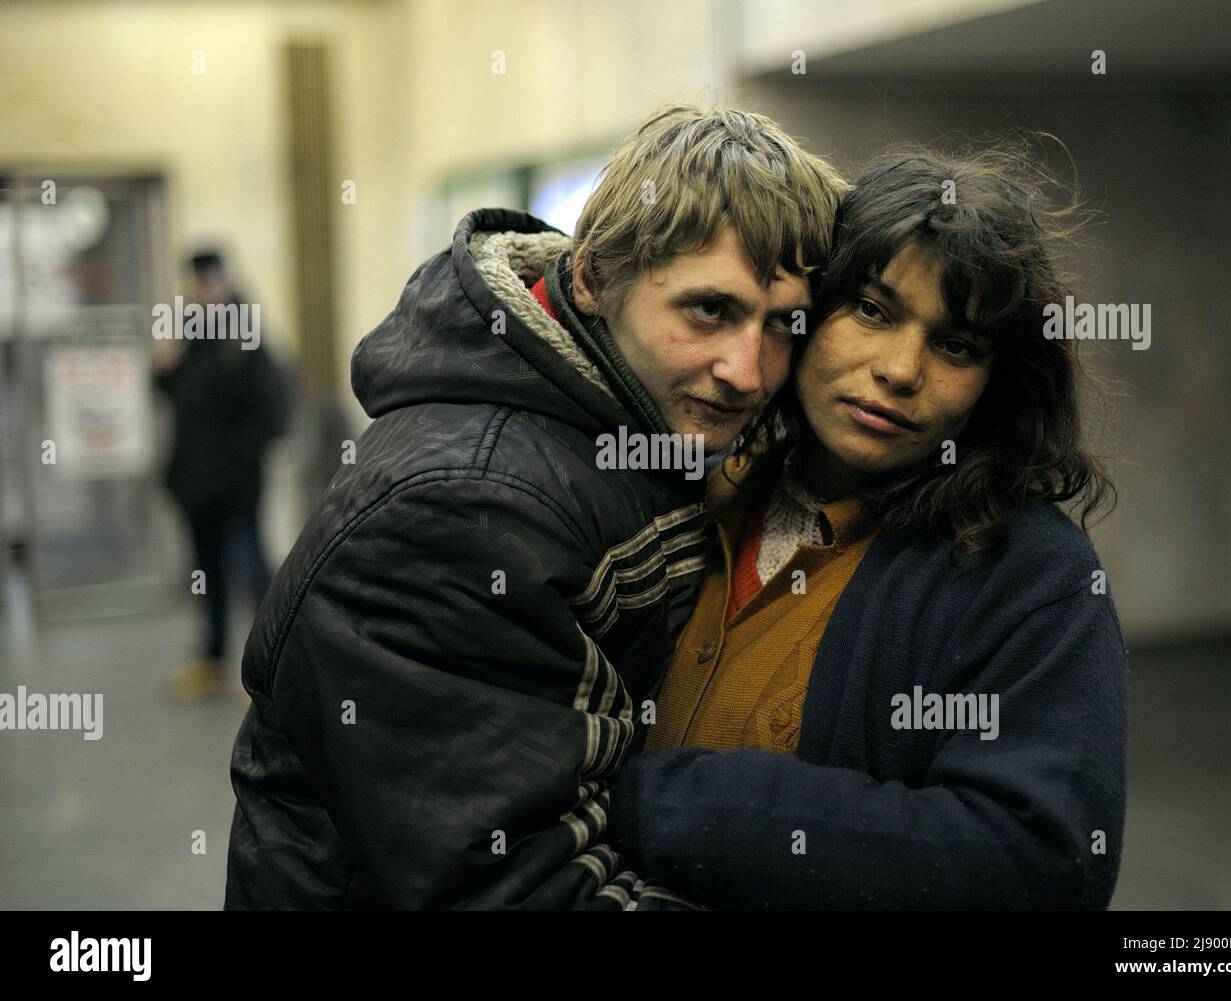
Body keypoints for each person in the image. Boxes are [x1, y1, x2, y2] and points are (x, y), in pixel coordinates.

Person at [224, 104, 847, 909]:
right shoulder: (460, 508)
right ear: (591, 279)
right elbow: (519, 890)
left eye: (783, 324)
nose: (747, 371)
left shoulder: (641, 420)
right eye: (708, 310)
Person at [605, 143, 1128, 910]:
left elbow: (1039, 861)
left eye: (955, 343)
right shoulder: (695, 480)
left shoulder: (1028, 571)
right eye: (873, 311)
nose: (901, 368)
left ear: (996, 382)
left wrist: (684, 803)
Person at [155, 251, 291, 703]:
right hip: (196, 480)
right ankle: (212, 660)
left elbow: (271, 409)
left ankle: (274, 663)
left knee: (251, 565)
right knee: (206, 572)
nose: (204, 291)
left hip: (235, 480)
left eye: (211, 281)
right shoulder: (190, 333)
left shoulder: (246, 335)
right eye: (198, 283)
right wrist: (163, 369)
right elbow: (176, 395)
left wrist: (241, 458)